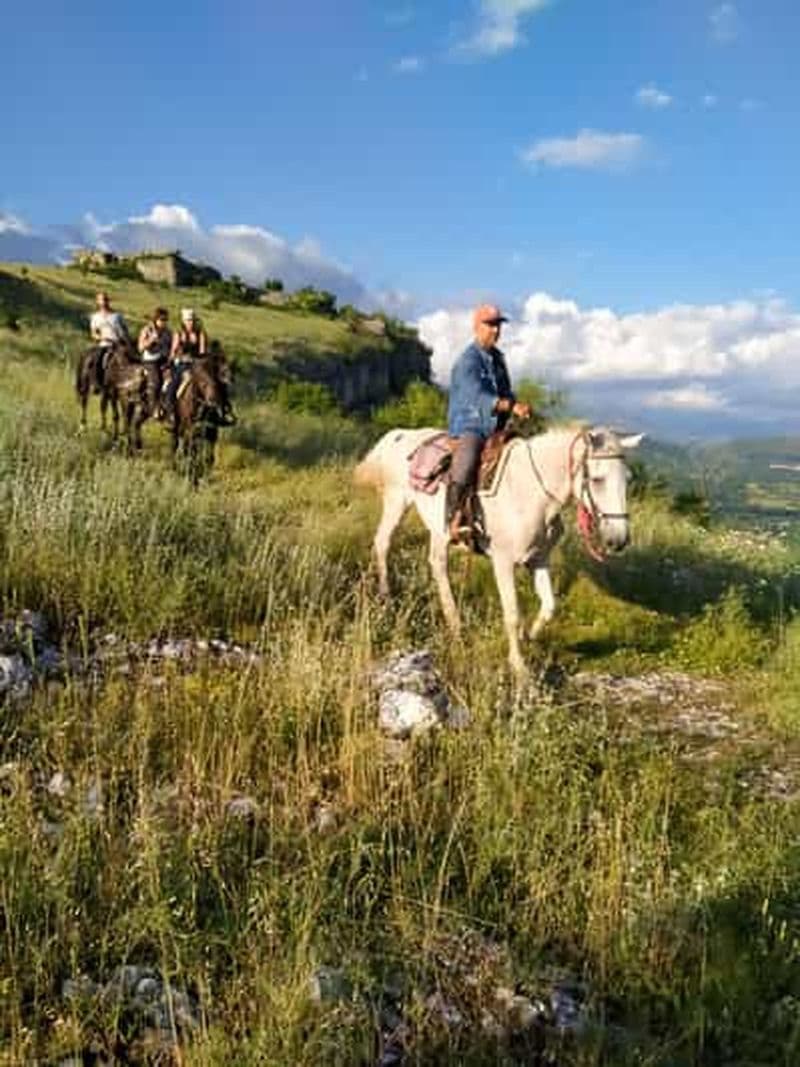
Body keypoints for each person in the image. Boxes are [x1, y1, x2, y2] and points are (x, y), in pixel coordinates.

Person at [446, 303, 531, 543]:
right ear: (476, 327)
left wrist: (518, 405)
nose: (495, 330)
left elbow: (505, 392)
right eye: (490, 325)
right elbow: (477, 397)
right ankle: (455, 520)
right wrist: (509, 405)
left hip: (496, 426)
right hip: (470, 424)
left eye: (498, 325)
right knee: (467, 461)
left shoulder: (498, 359)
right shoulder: (467, 361)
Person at [162, 308, 208, 423]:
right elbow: (173, 351)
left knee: (213, 382)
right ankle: (170, 411)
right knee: (172, 385)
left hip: (196, 364)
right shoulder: (179, 334)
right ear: (183, 321)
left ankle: (218, 410)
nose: (190, 323)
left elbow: (203, 351)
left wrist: (198, 360)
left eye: (192, 320)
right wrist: (170, 363)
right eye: (188, 320)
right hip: (181, 364)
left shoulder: (200, 334)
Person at [138, 307, 172, 418]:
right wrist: (151, 340)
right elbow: (140, 347)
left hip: (163, 360)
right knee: (156, 381)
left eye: (166, 320)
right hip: (150, 360)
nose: (164, 322)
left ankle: (167, 406)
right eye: (162, 320)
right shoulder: (147, 330)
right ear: (156, 319)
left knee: (171, 380)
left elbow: (170, 346)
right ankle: (153, 408)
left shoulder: (168, 332)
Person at [89, 291, 130, 384]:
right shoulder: (95, 317)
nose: (104, 302)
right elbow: (93, 333)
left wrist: (125, 340)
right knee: (97, 359)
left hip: (119, 344)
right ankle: (96, 382)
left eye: (106, 299)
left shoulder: (117, 315)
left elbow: (125, 329)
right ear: (98, 302)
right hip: (105, 344)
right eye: (102, 300)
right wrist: (102, 338)